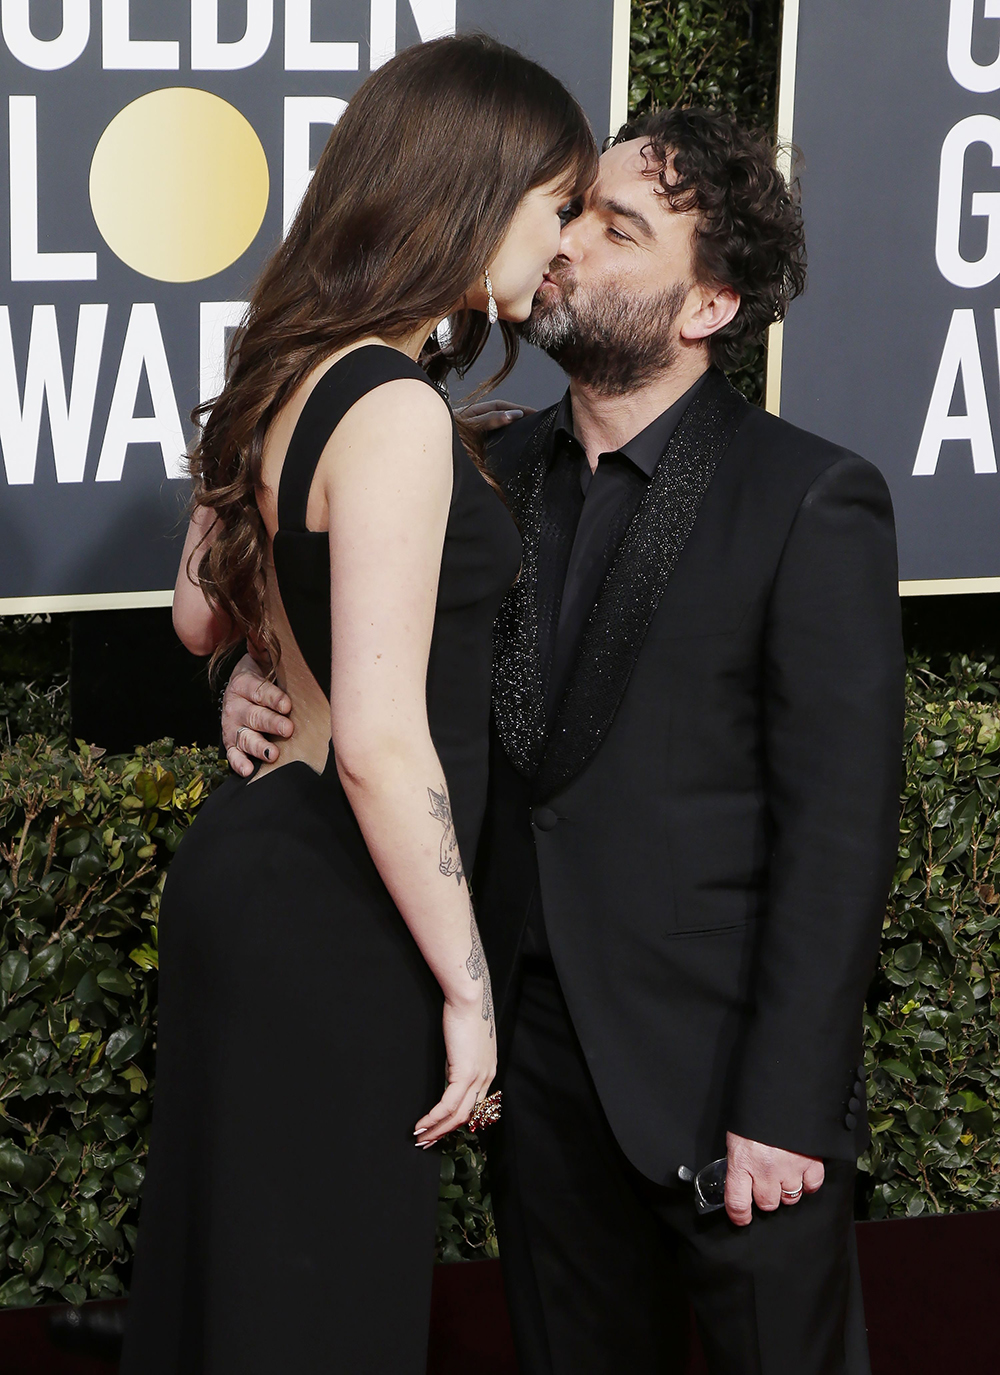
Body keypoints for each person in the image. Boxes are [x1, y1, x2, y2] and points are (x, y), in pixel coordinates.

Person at [223, 108, 904, 1374]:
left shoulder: (807, 497)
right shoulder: (477, 469)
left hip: (723, 1088)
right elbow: (358, 650)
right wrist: (254, 678)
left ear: (706, 306)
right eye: (574, 209)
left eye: (618, 228)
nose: (566, 245)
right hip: (533, 1080)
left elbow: (841, 832)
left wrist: (787, 1102)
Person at [119, 36, 597, 1375]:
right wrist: (467, 983)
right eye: (553, 205)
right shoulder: (389, 408)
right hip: (340, 902)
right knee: (319, 1301)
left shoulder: (293, 365)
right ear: (475, 187)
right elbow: (388, 745)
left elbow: (199, 618)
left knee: (243, 1275)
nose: (557, 247)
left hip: (254, 867)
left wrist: (259, 673)